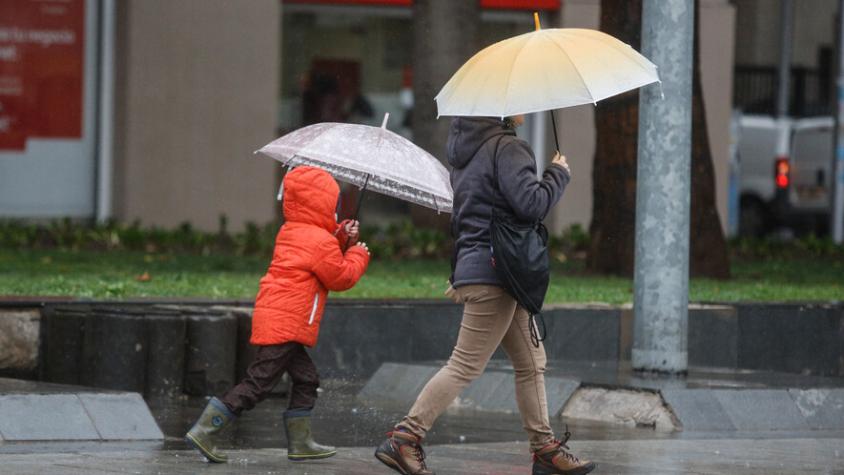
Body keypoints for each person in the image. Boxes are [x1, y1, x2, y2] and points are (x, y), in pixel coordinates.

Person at [374, 116, 595, 475]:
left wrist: (461, 271)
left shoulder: (467, 152)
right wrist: (558, 174)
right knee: (464, 365)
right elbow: (532, 205)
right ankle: (406, 437)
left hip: (492, 271)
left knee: (531, 362)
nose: (526, 110)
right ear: (503, 110)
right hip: (498, 271)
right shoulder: (508, 148)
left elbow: (463, 217)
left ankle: (545, 450)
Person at [186, 166, 371, 464]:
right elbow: (340, 277)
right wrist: (358, 253)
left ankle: (301, 443)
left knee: (307, 379)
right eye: (333, 204)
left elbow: (318, 252)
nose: (335, 210)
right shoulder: (318, 241)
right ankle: (206, 430)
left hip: (279, 317)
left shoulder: (292, 230)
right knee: (258, 384)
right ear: (322, 203)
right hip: (288, 322)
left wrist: (341, 234)